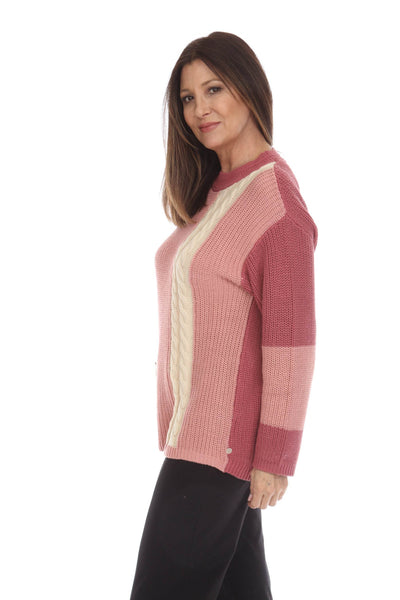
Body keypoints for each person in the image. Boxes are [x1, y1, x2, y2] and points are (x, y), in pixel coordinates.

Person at [129, 31, 318, 600]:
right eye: (187, 98)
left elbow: (291, 343)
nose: (199, 109)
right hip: (198, 438)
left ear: (249, 88)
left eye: (213, 89)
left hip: (219, 451)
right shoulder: (220, 194)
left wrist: (275, 458)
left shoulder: (275, 202)